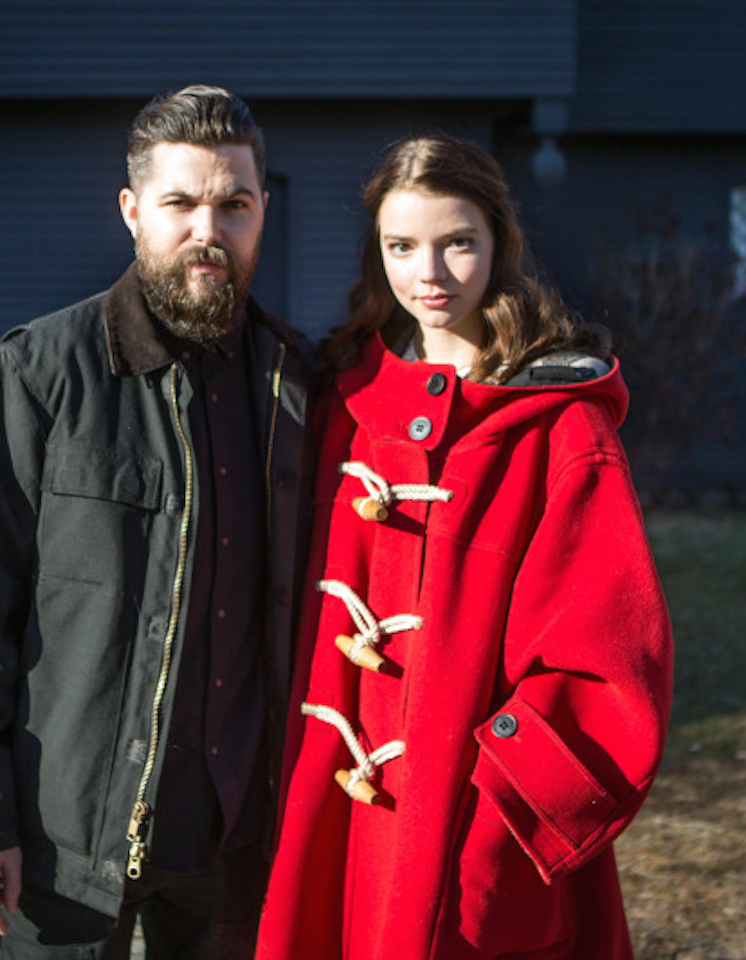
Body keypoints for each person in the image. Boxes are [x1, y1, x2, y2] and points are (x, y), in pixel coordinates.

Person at [0, 85, 311, 960]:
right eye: (179, 203)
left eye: (233, 204)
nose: (208, 229)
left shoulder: (299, 387)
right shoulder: (43, 371)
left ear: (261, 212)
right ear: (132, 212)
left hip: (241, 837)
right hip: (67, 839)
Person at [254, 135, 673, 959]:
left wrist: (498, 800)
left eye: (457, 242)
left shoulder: (558, 427)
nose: (430, 273)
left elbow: (611, 654)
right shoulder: (345, 402)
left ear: (498, 245)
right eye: (402, 246)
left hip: (471, 820)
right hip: (333, 805)